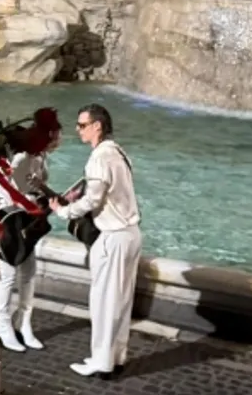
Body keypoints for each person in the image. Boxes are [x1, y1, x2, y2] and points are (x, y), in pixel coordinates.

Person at [51, 103, 142, 379]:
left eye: (82, 125)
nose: (78, 130)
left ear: (97, 126)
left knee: (103, 302)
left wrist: (63, 211)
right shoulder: (119, 153)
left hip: (113, 238)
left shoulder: (99, 158)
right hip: (132, 235)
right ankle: (117, 357)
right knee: (122, 301)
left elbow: (93, 199)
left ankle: (101, 362)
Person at [0, 108, 62, 352]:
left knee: (29, 271)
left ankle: (23, 322)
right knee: (8, 275)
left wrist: (55, 197)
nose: (59, 140)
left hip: (26, 220)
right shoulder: (20, 157)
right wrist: (32, 203)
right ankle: (2, 324)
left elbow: (35, 185)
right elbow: (9, 190)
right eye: (56, 135)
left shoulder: (40, 157)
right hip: (8, 220)